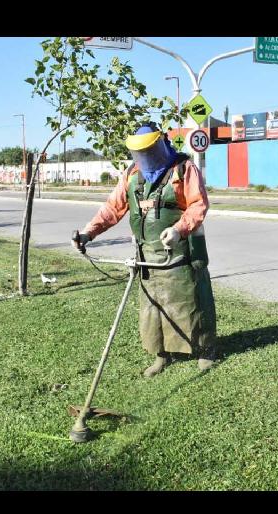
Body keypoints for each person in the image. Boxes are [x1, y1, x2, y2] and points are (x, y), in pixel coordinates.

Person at [73, 123, 217, 377]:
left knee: (191, 302)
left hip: (182, 252)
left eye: (149, 151)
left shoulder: (183, 169)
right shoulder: (132, 174)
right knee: (154, 307)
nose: (144, 158)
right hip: (147, 255)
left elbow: (198, 205)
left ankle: (204, 350)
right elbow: (112, 209)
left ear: (160, 143)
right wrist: (88, 232)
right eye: (139, 154)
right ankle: (161, 354)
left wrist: (179, 229)